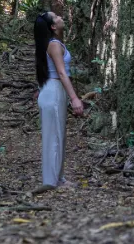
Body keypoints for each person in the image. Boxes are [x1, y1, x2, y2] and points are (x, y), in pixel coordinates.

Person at [34, 11, 84, 190]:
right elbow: (62, 73)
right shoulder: (54, 45)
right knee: (54, 137)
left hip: (53, 90)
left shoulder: (53, 43)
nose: (61, 17)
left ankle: (58, 178)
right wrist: (74, 98)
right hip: (54, 91)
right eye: (56, 17)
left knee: (58, 135)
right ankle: (52, 181)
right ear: (53, 27)